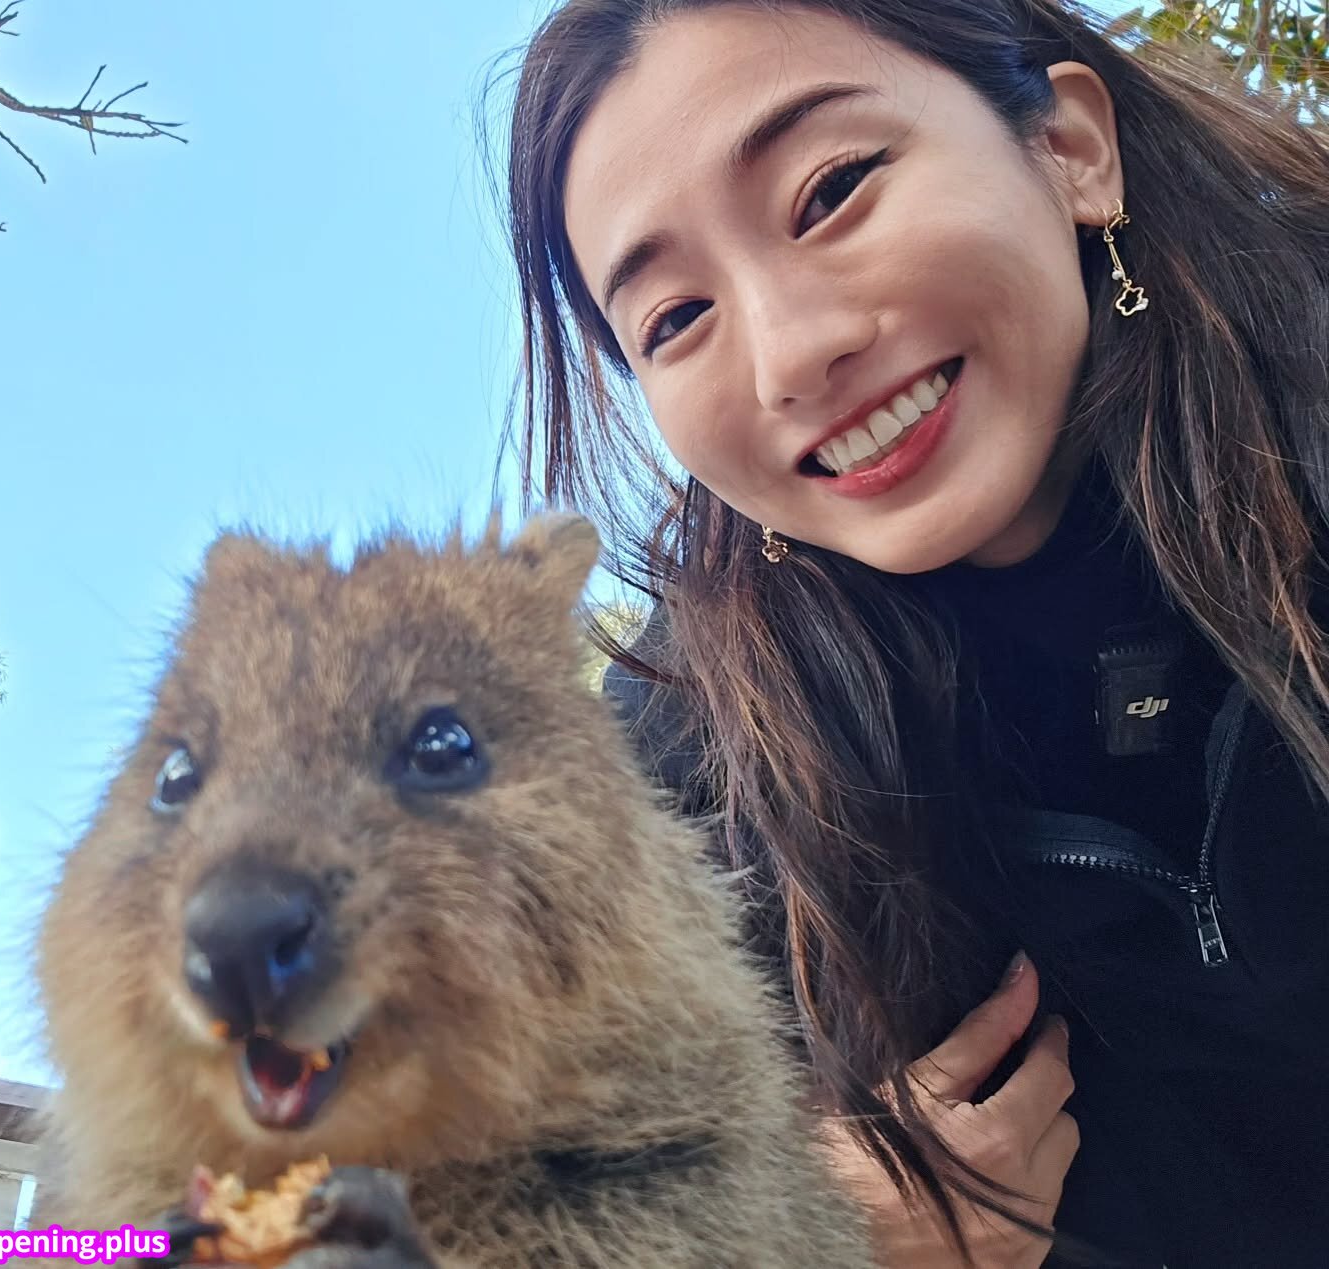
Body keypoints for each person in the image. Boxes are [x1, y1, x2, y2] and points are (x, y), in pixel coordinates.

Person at [492, 1, 1329, 1265]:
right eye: (674, 318)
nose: (790, 356)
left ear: (1070, 147)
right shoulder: (687, 774)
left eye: (830, 191)